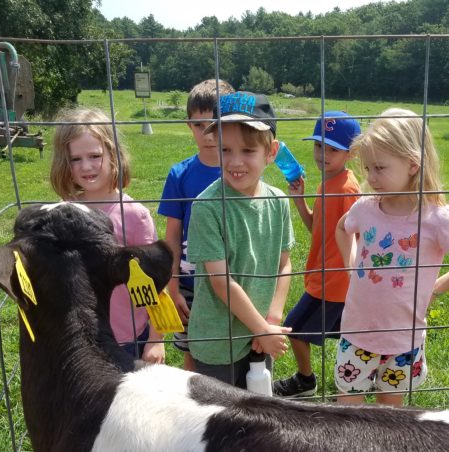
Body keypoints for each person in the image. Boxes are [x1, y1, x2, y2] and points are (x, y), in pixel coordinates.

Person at [335, 108, 449, 407]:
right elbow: (343, 229)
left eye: (380, 168)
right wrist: (351, 266)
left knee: (390, 416)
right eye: (367, 169)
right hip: (356, 332)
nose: (371, 177)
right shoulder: (365, 208)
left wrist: (436, 288)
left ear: (413, 165)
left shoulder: (436, 219)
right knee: (348, 414)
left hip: (403, 340)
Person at [186, 91, 295, 388]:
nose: (235, 162)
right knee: (220, 421)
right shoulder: (207, 206)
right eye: (226, 150)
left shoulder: (279, 202)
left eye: (248, 151)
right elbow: (220, 280)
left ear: (271, 152)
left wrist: (272, 318)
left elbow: (285, 264)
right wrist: (261, 328)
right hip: (218, 341)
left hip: (261, 334)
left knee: (258, 410)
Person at [50, 107, 165, 363]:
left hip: (127, 339)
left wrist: (156, 339)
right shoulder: (63, 211)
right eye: (75, 159)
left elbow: (154, 282)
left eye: (94, 155)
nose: (86, 166)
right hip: (78, 336)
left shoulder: (134, 215)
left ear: (113, 155)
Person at [274, 111, 362, 398]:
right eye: (318, 146)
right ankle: (359, 377)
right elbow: (318, 228)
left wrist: (349, 275)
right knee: (351, 334)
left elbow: (358, 235)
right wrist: (299, 200)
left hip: (333, 282)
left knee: (295, 330)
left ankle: (305, 381)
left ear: (351, 153)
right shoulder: (328, 182)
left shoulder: (347, 189)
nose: (322, 154)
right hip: (323, 276)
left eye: (332, 149)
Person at [158, 79, 235, 371]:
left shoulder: (239, 172)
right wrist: (173, 287)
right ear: (188, 125)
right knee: (192, 353)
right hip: (191, 284)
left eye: (215, 123)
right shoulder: (180, 174)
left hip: (233, 278)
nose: (208, 134)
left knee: (233, 348)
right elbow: (173, 235)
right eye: (198, 125)